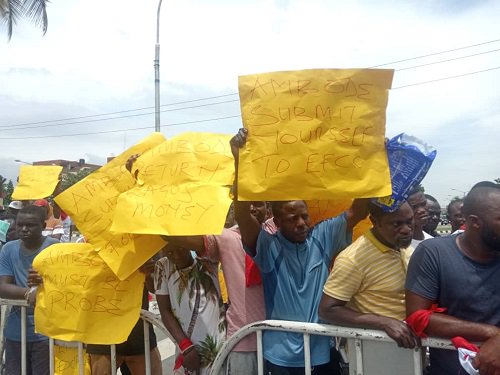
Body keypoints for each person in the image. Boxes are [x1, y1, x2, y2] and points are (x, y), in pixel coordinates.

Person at [232, 128, 369, 374]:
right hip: (280, 357)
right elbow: (242, 214)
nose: (301, 223)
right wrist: (239, 161)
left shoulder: (323, 237)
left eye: (304, 216)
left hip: (322, 352)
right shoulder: (267, 246)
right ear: (276, 219)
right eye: (292, 218)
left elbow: (358, 211)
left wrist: (373, 159)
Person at [405, 181, 500, 375]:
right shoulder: (434, 253)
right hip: (456, 368)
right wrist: (492, 334)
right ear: (475, 222)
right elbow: (417, 317)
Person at [164, 202, 267, 375]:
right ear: (236, 211)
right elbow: (187, 240)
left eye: (257, 203)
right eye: (244, 204)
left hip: (281, 343)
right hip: (242, 344)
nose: (252, 209)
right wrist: (160, 223)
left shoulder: (277, 234)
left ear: (269, 208)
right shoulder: (226, 238)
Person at [319, 202, 418, 374]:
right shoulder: (353, 260)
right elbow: (327, 310)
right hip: (374, 356)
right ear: (375, 221)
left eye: (409, 221)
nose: (406, 229)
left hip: (409, 352)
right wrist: (384, 322)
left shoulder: (403, 248)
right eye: (396, 224)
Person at [0, 205, 58, 375]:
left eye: (30, 225)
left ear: (43, 226)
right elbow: (2, 287)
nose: (24, 229)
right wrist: (29, 292)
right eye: (20, 225)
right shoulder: (8, 249)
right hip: (16, 331)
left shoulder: (55, 249)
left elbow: (64, 285)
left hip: (46, 333)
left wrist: (43, 284)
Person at [155, 243, 226, 375]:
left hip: (217, 349)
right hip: (186, 350)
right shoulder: (163, 267)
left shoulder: (207, 259)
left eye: (181, 248)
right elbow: (165, 311)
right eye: (170, 252)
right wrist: (186, 347)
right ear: (163, 250)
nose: (176, 256)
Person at [86, 259, 163, 375]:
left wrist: (149, 274)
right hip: (103, 336)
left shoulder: (144, 248)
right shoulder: (89, 250)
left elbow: (156, 288)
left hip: (138, 333)